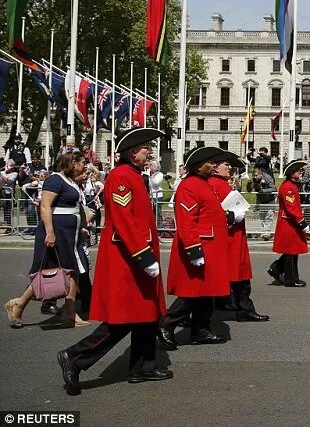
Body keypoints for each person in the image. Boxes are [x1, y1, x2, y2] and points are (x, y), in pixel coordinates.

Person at [53, 128, 172, 395]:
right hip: (130, 258)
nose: (149, 152)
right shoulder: (121, 176)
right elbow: (124, 219)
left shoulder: (134, 175)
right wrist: (143, 255)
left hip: (138, 256)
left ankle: (143, 366)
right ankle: (75, 357)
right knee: (124, 319)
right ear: (132, 152)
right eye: (145, 149)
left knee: (146, 315)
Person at [5, 151, 91, 328]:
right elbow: (45, 206)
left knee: (73, 270)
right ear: (73, 163)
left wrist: (81, 225)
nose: (85, 166)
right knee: (46, 271)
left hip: (70, 235)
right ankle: (19, 304)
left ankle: (69, 313)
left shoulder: (72, 182)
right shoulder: (55, 180)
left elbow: (75, 207)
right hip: (57, 232)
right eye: (82, 162)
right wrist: (50, 232)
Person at [158, 147, 231, 349]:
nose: (215, 166)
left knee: (208, 292)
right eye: (211, 163)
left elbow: (210, 212)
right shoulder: (189, 186)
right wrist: (193, 248)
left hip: (212, 244)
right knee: (194, 292)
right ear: (199, 166)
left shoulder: (204, 184)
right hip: (202, 245)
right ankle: (166, 323)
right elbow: (187, 220)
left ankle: (201, 330)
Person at [208, 153, 268, 322]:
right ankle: (245, 308)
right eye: (225, 164)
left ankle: (224, 302)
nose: (229, 168)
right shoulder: (215, 184)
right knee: (239, 274)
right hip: (230, 235)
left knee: (234, 273)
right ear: (215, 167)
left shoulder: (219, 183)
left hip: (233, 233)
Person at [270, 160, 310, 286]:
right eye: (299, 171)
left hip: (290, 222)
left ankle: (280, 270)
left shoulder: (291, 185)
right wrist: (302, 222)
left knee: (292, 251)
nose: (301, 173)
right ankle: (290, 279)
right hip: (289, 222)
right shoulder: (288, 187)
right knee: (290, 251)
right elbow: (291, 207)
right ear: (292, 174)